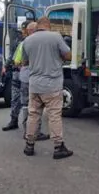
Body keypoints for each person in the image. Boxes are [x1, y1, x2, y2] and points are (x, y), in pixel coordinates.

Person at [23, 17, 73, 159]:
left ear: (38, 26)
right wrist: (58, 58)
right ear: (48, 25)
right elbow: (68, 55)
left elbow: (26, 61)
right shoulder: (55, 36)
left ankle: (29, 145)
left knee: (33, 115)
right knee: (54, 116)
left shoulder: (28, 40)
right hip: (52, 85)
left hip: (34, 85)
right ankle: (58, 147)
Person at [1, 20, 49, 142]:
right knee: (28, 104)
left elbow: (15, 57)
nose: (23, 32)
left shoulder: (25, 41)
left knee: (24, 103)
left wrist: (8, 66)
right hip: (23, 75)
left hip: (20, 74)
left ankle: (24, 128)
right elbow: (17, 58)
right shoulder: (28, 42)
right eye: (23, 30)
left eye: (24, 30)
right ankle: (28, 129)